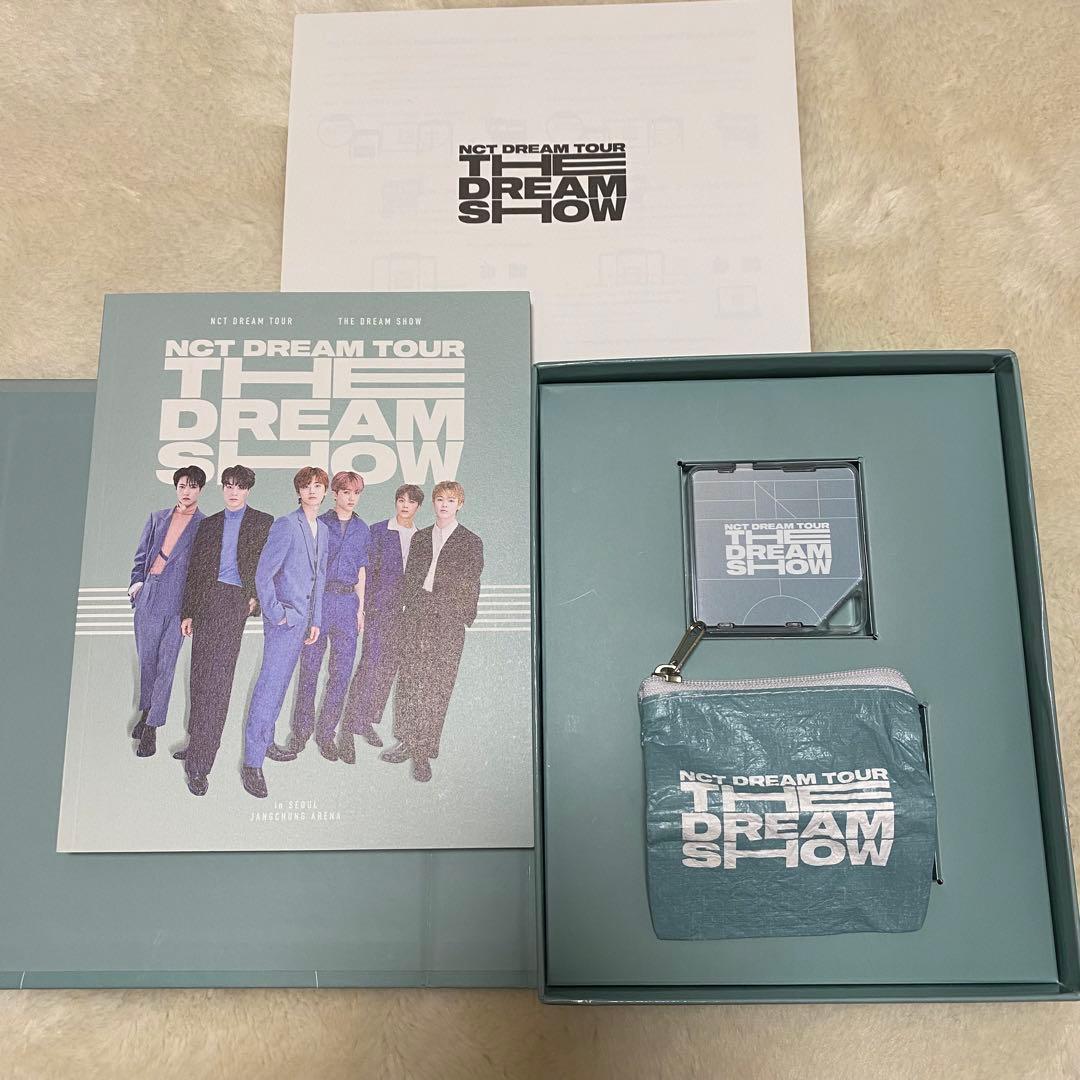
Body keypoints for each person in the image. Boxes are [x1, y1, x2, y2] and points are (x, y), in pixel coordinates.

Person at [175, 465, 272, 796]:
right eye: (228, 485)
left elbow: (268, 565)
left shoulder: (262, 522)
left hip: (234, 603)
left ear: (248, 490)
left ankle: (200, 766)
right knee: (199, 677)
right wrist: (188, 611)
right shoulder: (209, 525)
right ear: (222, 489)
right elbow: (195, 570)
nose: (233, 491)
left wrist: (255, 598)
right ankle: (196, 742)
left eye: (239, 486)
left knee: (217, 684)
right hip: (206, 602)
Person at [382, 480, 483, 783]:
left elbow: (471, 582)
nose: (444, 505)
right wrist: (407, 608)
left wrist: (460, 616)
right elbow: (411, 576)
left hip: (448, 619)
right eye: (439, 499)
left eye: (450, 501)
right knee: (410, 678)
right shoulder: (421, 537)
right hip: (417, 614)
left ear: (459, 505)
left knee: (438, 684)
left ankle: (423, 751)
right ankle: (406, 740)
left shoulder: (470, 541)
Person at [240, 466, 329, 799]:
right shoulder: (286, 525)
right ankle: (252, 763)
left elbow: (319, 578)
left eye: (318, 486)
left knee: (279, 687)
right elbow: (263, 575)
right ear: (298, 491)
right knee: (269, 687)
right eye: (306, 486)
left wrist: (315, 619)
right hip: (284, 621)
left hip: (303, 621)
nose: (312, 491)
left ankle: (266, 742)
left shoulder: (324, 530)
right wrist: (276, 615)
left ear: (325, 492)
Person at [287, 470, 371, 763]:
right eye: (346, 492)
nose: (351, 498)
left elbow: (362, 570)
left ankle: (326, 734)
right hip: (321, 601)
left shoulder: (363, 529)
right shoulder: (320, 523)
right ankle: (300, 732)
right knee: (309, 670)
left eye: (356, 493)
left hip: (348, 604)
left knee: (341, 673)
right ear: (334, 494)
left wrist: (360, 609)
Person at [340, 483, 423, 758]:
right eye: (401, 500)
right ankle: (348, 727)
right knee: (370, 665)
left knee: (388, 670)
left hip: (406, 615)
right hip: (379, 611)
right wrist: (363, 607)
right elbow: (365, 571)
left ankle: (366, 721)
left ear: (418, 506)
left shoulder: (422, 538)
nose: (405, 505)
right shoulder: (378, 531)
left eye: (411, 502)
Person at [128, 465, 206, 758]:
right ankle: (146, 710)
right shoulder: (157, 518)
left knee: (166, 666)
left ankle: (152, 729)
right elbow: (140, 556)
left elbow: (201, 572)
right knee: (147, 661)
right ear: (176, 488)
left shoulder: (204, 525)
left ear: (200, 490)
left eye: (193, 487)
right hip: (149, 596)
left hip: (178, 603)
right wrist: (137, 585)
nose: (187, 492)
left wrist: (192, 611)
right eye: (182, 486)